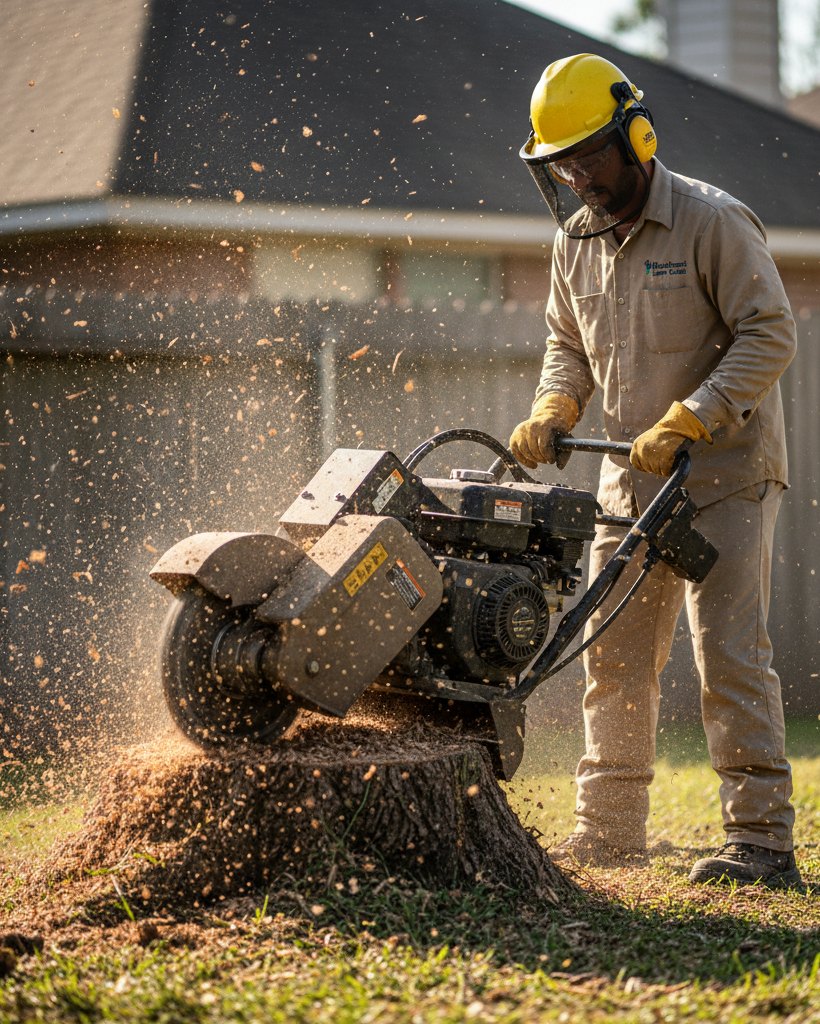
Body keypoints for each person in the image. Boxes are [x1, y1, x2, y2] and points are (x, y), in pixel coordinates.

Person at [510, 53, 800, 888]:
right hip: (630, 482)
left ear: (635, 135)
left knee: (729, 656)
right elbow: (567, 345)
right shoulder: (575, 242)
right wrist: (556, 409)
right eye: (561, 162)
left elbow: (770, 333)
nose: (577, 176)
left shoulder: (714, 222)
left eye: (589, 155)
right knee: (617, 660)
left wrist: (692, 418)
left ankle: (760, 841)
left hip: (727, 477)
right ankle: (608, 834)